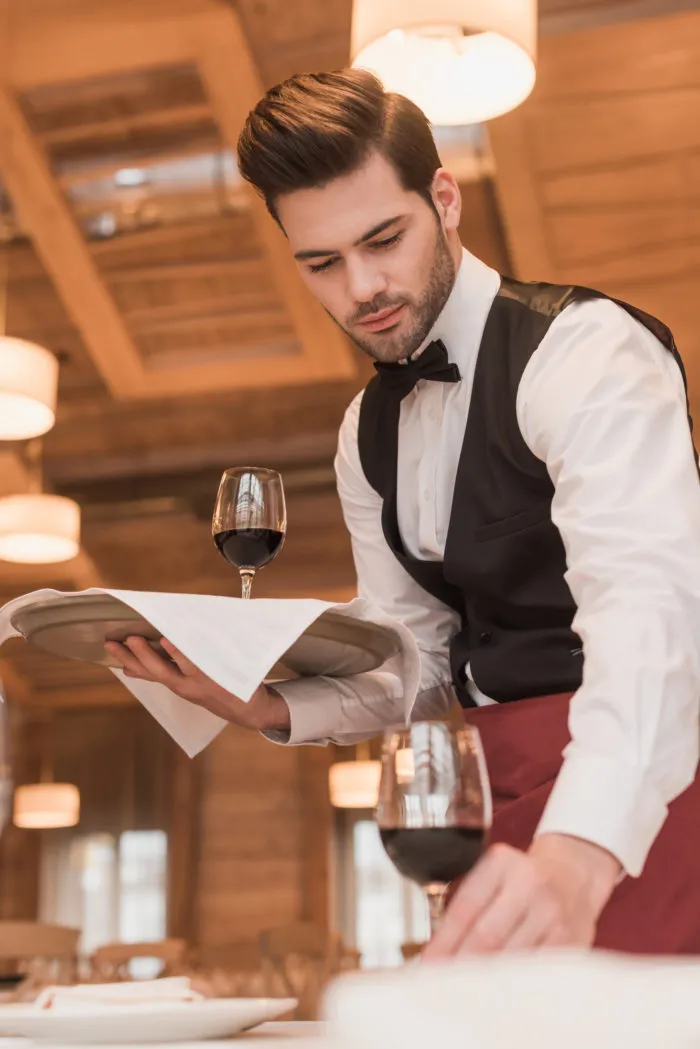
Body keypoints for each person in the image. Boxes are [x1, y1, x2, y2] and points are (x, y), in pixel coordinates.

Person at [107, 70, 700, 956]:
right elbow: (416, 663)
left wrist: (579, 854)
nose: (361, 286)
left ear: (446, 199)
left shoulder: (588, 352)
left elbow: (653, 619)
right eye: (321, 262)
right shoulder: (363, 433)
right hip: (489, 797)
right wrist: (274, 705)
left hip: (648, 800)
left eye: (383, 238)